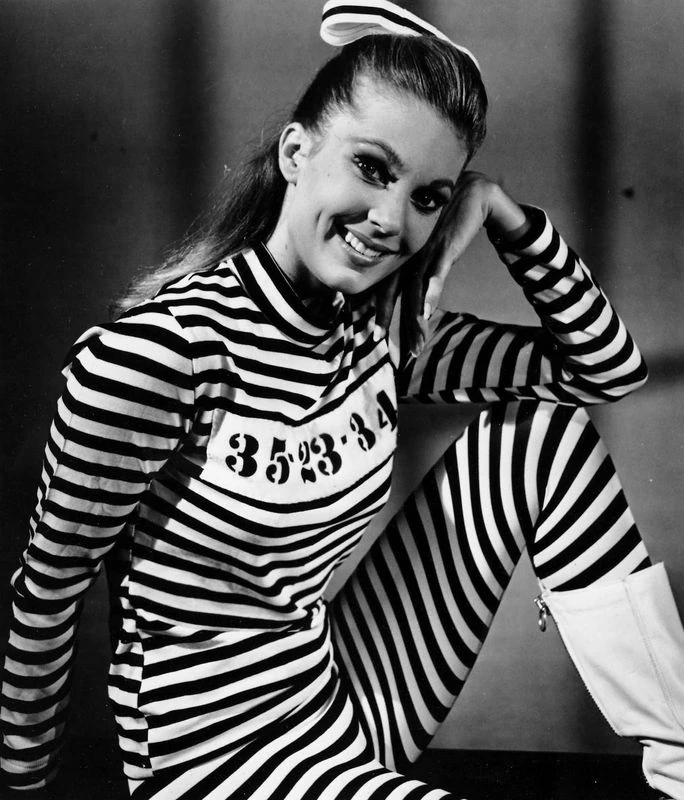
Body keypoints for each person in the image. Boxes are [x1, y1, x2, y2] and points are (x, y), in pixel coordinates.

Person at [2, 1, 683, 798]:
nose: (390, 220)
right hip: (215, 763)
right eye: (373, 168)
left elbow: (605, 370)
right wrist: (21, 783)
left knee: (544, 434)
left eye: (428, 197)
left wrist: (499, 213)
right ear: (296, 152)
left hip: (345, 700)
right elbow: (47, 591)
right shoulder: (158, 356)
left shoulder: (379, 333)